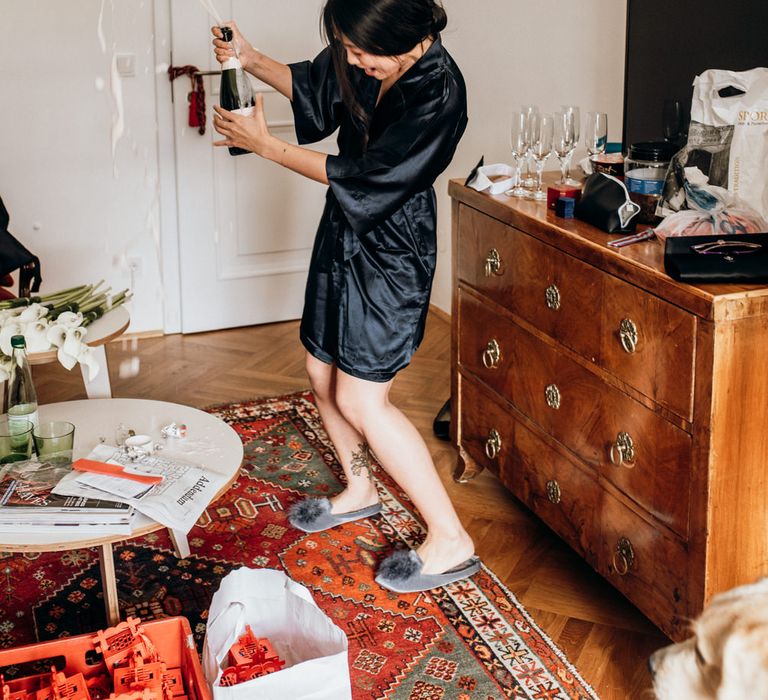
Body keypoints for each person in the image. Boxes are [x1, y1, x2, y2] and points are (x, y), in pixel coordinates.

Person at [211, 0, 477, 593]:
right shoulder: (374, 56)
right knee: (320, 368)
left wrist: (266, 146)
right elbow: (319, 81)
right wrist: (249, 58)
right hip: (343, 231)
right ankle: (360, 487)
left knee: (362, 398)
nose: (351, 62)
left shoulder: (439, 93)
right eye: (347, 48)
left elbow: (368, 180)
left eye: (359, 52)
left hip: (392, 251)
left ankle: (451, 537)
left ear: (408, 39)